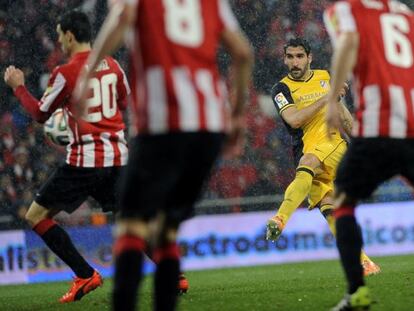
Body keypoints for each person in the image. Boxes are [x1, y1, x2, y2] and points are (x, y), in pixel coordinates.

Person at [75, 1, 253, 311]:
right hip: (207, 129)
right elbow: (243, 54)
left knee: (131, 225)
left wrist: (87, 74)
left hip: (161, 126)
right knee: (167, 228)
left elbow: (121, 17)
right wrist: (237, 116)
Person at [4, 10, 130, 303]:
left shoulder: (66, 72)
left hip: (85, 160)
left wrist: (18, 86)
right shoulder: (113, 65)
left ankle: (86, 274)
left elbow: (39, 113)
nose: (59, 40)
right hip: (117, 156)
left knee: (35, 216)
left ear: (70, 36)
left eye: (60, 35)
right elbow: (123, 101)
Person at [324, 1, 414, 310]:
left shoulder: (345, 10)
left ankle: (357, 291)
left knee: (343, 202)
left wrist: (334, 99)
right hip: (413, 125)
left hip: (378, 127)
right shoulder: (404, 14)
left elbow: (349, 41)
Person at [265, 38, 380, 276]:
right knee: (331, 210)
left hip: (332, 143)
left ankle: (280, 219)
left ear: (309, 57)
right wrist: (326, 98)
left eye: (299, 56)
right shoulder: (281, 89)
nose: (294, 62)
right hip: (306, 150)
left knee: (308, 164)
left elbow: (343, 115)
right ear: (284, 59)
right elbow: (295, 120)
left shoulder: (326, 77)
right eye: (290, 57)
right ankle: (365, 262)